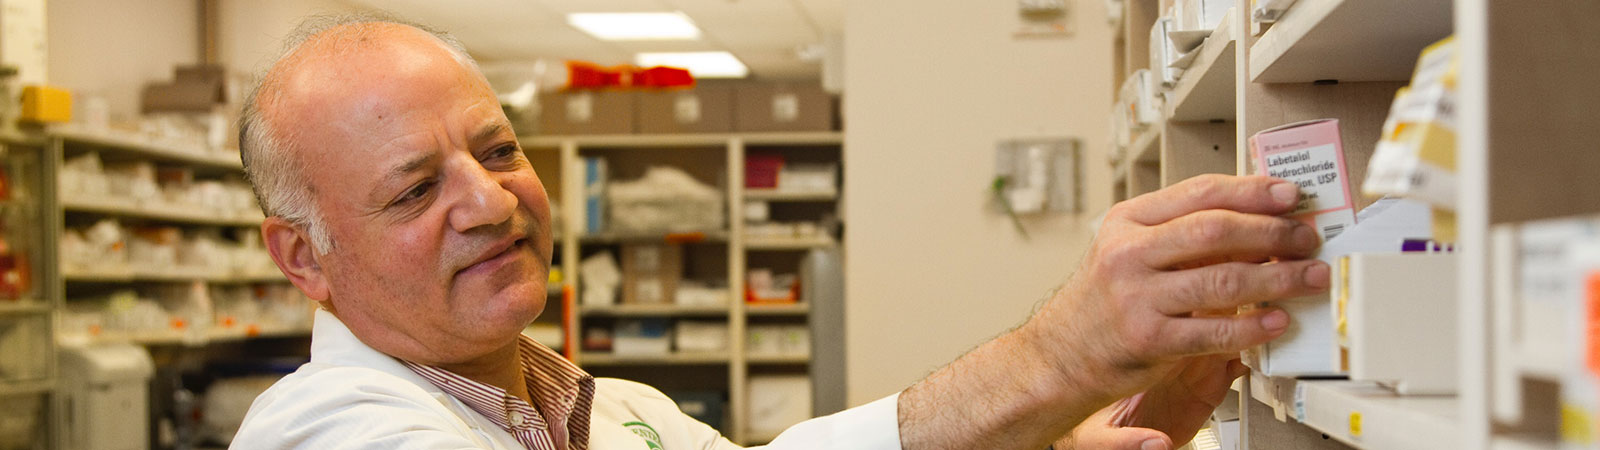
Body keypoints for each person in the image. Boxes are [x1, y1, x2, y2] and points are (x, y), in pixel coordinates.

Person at [231, 13, 1328, 450]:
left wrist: (1051, 435)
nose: (486, 200)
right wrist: (1052, 360)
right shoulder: (331, 431)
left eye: (499, 149)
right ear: (302, 257)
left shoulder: (617, 412)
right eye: (414, 190)